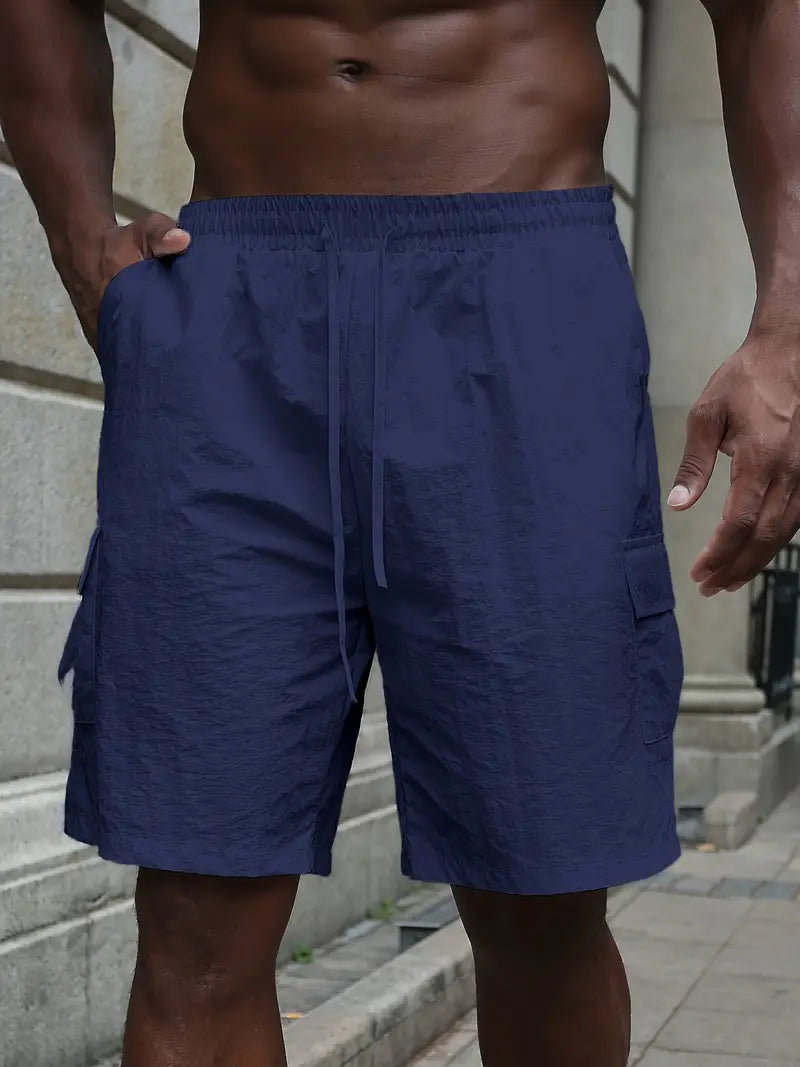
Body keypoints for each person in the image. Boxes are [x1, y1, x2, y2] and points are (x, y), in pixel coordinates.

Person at [1, 1, 798, 1064]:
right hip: (233, 309)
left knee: (541, 903)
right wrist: (82, 246)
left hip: (523, 301)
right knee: (194, 921)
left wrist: (786, 327)